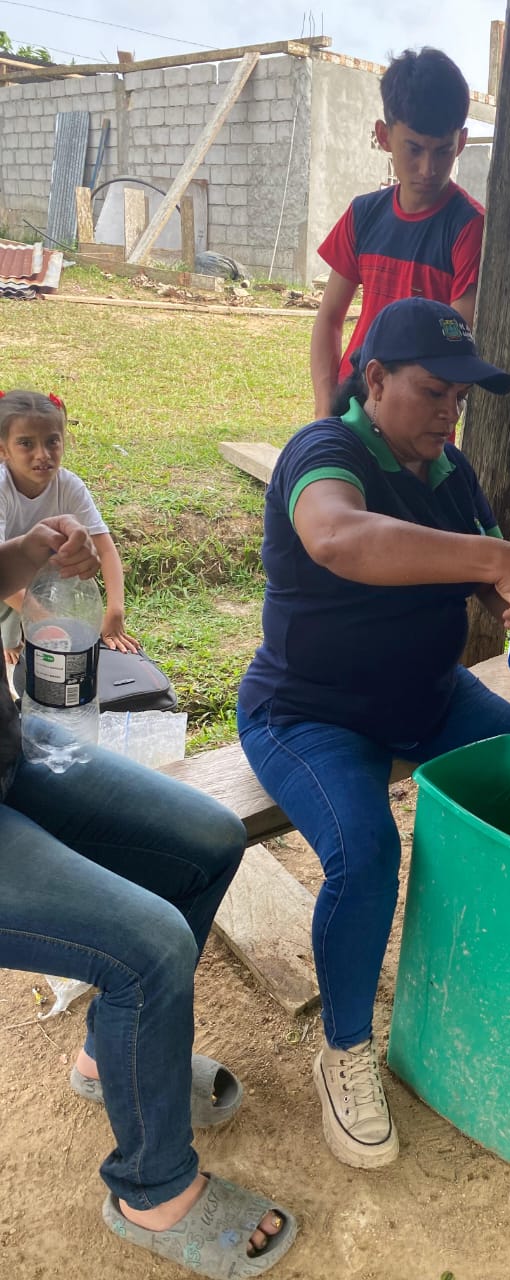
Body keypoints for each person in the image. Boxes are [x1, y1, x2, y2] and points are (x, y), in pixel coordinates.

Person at [240, 296, 510, 1169]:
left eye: (460, 397)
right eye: (433, 391)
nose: (450, 412)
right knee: (365, 851)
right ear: (375, 379)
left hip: (428, 696)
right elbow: (337, 536)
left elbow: (500, 583)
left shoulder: (448, 473)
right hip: (308, 710)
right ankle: (345, 1049)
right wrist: (495, 557)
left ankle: (477, 973)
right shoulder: (327, 450)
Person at [0, 515, 297, 1277]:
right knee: (150, 947)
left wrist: (28, 555)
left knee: (208, 841)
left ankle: (111, 1060)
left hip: (9, 748)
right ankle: (153, 1192)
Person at [310, 47, 482, 420]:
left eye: (442, 151)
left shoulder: (470, 228)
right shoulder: (363, 214)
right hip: (352, 404)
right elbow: (329, 318)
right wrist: (324, 410)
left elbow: (451, 342)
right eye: (414, 149)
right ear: (384, 136)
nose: (428, 168)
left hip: (417, 421)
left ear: (461, 143)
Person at [0, 390, 137, 662]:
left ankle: (24, 630)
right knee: (13, 626)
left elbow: (104, 548)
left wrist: (115, 611)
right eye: (26, 443)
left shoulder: (69, 485)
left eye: (52, 441)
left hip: (41, 578)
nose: (43, 454)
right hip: (6, 578)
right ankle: (10, 640)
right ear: (3, 449)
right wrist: (44, 619)